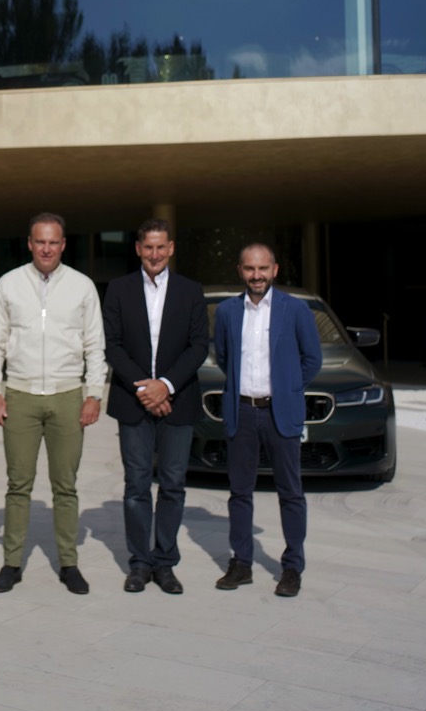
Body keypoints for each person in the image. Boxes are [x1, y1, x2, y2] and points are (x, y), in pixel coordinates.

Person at [0, 212, 107, 594]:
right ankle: (11, 563)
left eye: (54, 242)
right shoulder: (9, 284)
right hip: (20, 395)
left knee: (65, 486)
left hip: (67, 396)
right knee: (18, 484)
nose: (47, 248)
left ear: (63, 244)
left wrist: (93, 393)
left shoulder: (83, 286)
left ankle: (69, 563)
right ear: (30, 243)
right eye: (40, 241)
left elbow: (94, 345)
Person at [101, 218, 209, 595]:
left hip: (178, 399)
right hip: (132, 401)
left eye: (161, 247)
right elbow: (112, 344)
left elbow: (199, 346)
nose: (155, 254)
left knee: (173, 485)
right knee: (136, 485)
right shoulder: (118, 289)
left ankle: (165, 563)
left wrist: (165, 386)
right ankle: (139, 563)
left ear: (171, 248)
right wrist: (146, 388)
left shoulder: (191, 291)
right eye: (148, 247)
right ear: (138, 249)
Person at [212, 243, 323, 597]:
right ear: (240, 271)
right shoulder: (228, 311)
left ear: (274, 270)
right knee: (240, 492)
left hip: (280, 412)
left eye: (263, 268)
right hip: (242, 411)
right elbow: (223, 355)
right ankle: (241, 563)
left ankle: (292, 567)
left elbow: (312, 359)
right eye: (249, 268)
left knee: (290, 492)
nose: (256, 275)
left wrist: (288, 388)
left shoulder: (296, 309)